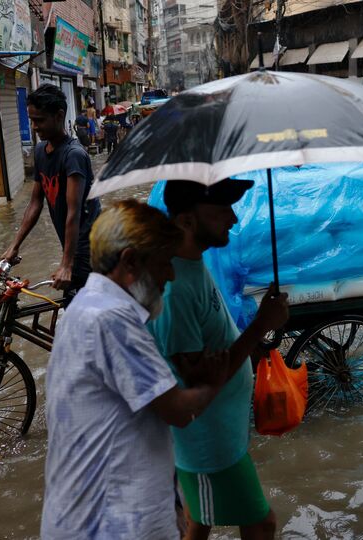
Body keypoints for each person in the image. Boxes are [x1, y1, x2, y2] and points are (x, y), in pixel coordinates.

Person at [41, 200, 235, 539]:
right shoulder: (113, 319)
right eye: (164, 263)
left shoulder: (84, 307)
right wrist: (213, 383)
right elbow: (176, 410)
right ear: (130, 261)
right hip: (111, 524)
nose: (171, 275)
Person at [148, 179, 290, 540]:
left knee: (198, 524)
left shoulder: (193, 264)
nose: (234, 218)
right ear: (186, 220)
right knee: (261, 524)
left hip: (221, 434)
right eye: (222, 209)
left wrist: (250, 342)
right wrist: (260, 325)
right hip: (208, 446)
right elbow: (198, 382)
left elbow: (213, 345)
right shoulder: (175, 287)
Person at [1, 84, 101, 296]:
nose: (34, 127)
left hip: (91, 248)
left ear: (59, 116)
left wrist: (66, 264)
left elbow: (74, 212)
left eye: (39, 120)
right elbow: (35, 202)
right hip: (70, 246)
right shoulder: (40, 151)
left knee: (78, 307)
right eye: (31, 120)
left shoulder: (73, 155)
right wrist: (14, 245)